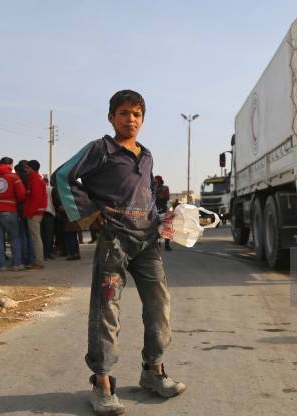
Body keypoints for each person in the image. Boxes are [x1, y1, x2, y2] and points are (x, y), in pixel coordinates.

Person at [52, 90, 184, 416]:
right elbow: (63, 176)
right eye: (124, 113)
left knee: (159, 306)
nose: (131, 120)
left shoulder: (146, 154)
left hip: (148, 244)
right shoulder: (101, 149)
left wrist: (159, 219)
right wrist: (91, 213)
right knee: (106, 311)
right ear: (112, 117)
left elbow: (147, 193)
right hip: (114, 243)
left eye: (137, 114)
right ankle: (103, 384)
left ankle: (153, 372)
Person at [23, 160, 47, 269]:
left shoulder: (35, 180)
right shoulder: (34, 179)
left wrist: (30, 212)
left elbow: (36, 199)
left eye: (27, 168)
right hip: (35, 212)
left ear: (33, 168)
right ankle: (38, 261)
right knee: (35, 237)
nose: (25, 170)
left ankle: (39, 262)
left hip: (34, 213)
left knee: (35, 237)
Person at [155, 175, 172, 251]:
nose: (156, 183)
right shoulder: (152, 188)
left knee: (167, 228)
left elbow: (166, 197)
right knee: (154, 228)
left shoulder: (165, 188)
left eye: (157, 181)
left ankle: (167, 245)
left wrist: (158, 196)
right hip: (155, 210)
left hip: (164, 209)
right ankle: (156, 244)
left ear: (160, 181)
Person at [41, 176, 56, 260]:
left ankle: (42, 253)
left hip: (40, 213)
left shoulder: (39, 188)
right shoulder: (51, 189)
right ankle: (48, 253)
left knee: (42, 235)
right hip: (49, 213)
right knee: (49, 235)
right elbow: (55, 201)